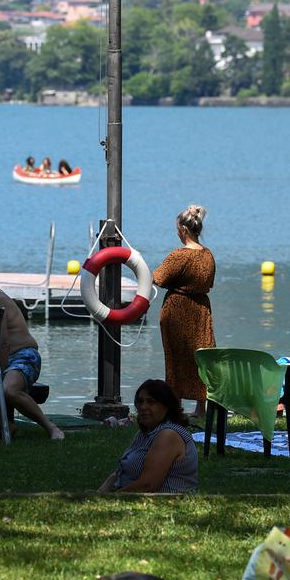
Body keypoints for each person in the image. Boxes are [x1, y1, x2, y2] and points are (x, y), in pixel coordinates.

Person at [0, 258, 63, 439]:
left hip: (24, 357)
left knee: (8, 390)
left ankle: (51, 428)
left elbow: (4, 343)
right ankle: (5, 424)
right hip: (0, 360)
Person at [152, 205, 216, 418]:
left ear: (184, 230)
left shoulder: (180, 255)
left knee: (175, 358)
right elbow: (209, 282)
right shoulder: (208, 255)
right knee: (203, 357)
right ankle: (201, 409)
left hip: (178, 310)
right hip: (201, 309)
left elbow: (159, 278)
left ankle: (176, 407)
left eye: (177, 230)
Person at [97, 379, 198, 493]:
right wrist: (98, 495)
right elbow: (118, 472)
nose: (143, 407)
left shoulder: (169, 435)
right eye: (140, 402)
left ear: (167, 406)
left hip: (165, 503)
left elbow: (147, 485)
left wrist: (110, 499)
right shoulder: (145, 432)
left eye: (151, 402)